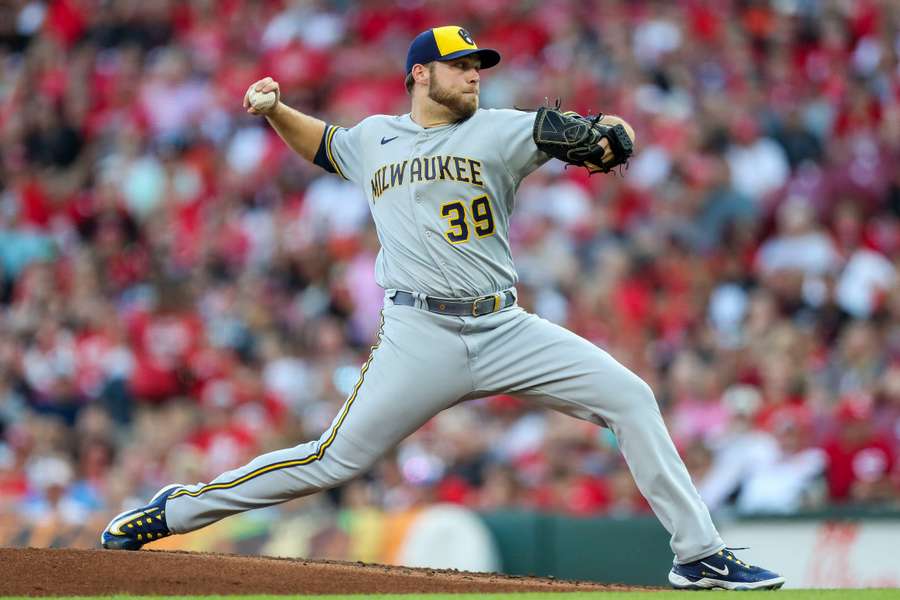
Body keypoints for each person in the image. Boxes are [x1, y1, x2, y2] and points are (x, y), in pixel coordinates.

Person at [101, 25, 783, 590]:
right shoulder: (375, 138)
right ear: (419, 76)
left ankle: (698, 554)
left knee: (631, 397)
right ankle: (178, 511)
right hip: (418, 332)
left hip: (503, 324)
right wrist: (277, 111)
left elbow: (608, 132)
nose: (474, 75)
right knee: (331, 460)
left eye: (479, 66)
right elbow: (326, 144)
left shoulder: (505, 131)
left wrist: (612, 138)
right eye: (459, 66)